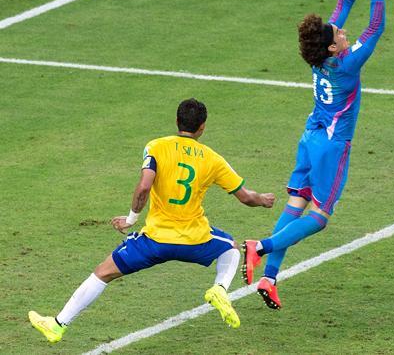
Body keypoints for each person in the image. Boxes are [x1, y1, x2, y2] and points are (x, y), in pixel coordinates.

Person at [29, 98, 275, 343]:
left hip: (154, 240)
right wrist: (263, 199)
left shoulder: (156, 147)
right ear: (202, 127)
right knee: (231, 248)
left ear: (177, 121)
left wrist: (131, 218)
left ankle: (58, 325)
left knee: (103, 273)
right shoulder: (213, 159)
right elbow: (246, 197)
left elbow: (144, 186)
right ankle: (219, 289)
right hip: (195, 240)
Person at [240, 0, 386, 310]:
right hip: (332, 146)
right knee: (319, 218)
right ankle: (260, 247)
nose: (343, 30)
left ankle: (269, 277)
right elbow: (375, 27)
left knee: (295, 205)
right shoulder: (347, 64)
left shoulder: (321, 55)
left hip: (310, 136)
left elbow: (342, 5)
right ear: (333, 46)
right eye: (339, 33)